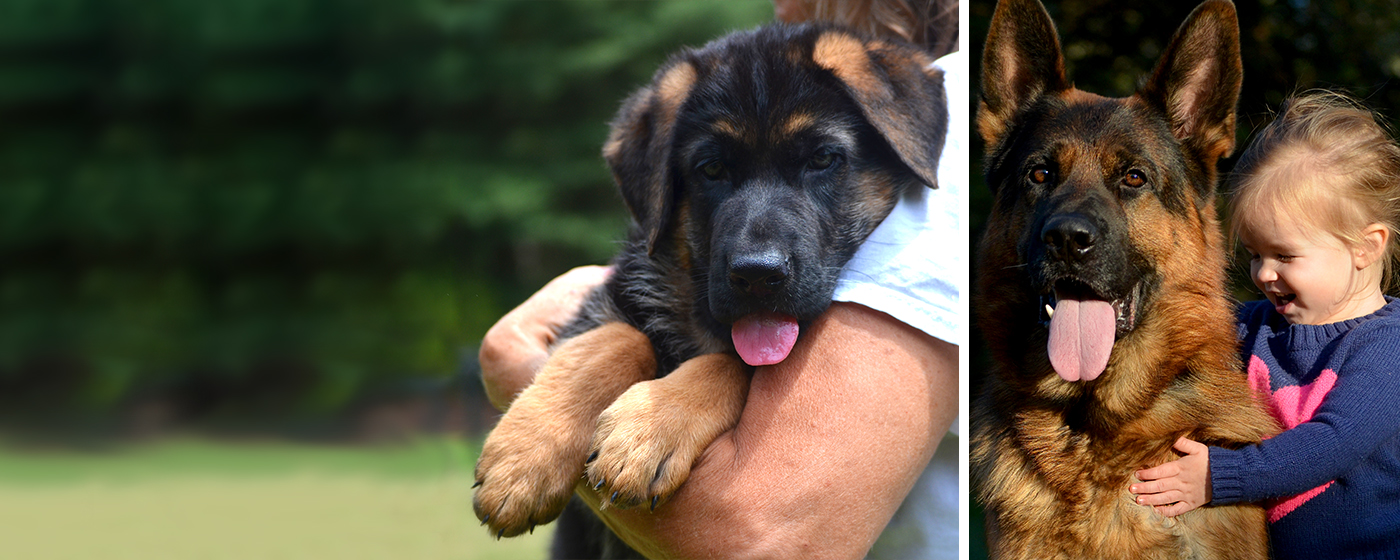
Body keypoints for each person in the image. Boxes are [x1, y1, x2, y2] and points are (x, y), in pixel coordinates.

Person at [478, 1, 963, 557]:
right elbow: (619, 319)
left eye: (821, 161)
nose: (758, 248)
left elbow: (756, 536)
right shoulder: (654, 286)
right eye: (713, 171)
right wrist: (583, 389)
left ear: (908, 146)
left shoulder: (942, 150)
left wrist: (515, 362)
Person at [1129, 91, 1400, 557]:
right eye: (1255, 255)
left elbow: (1331, 443)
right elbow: (1182, 336)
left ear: (1365, 247)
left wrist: (1220, 477)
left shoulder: (1387, 346)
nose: (1263, 274)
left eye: (1284, 255)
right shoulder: (1259, 325)